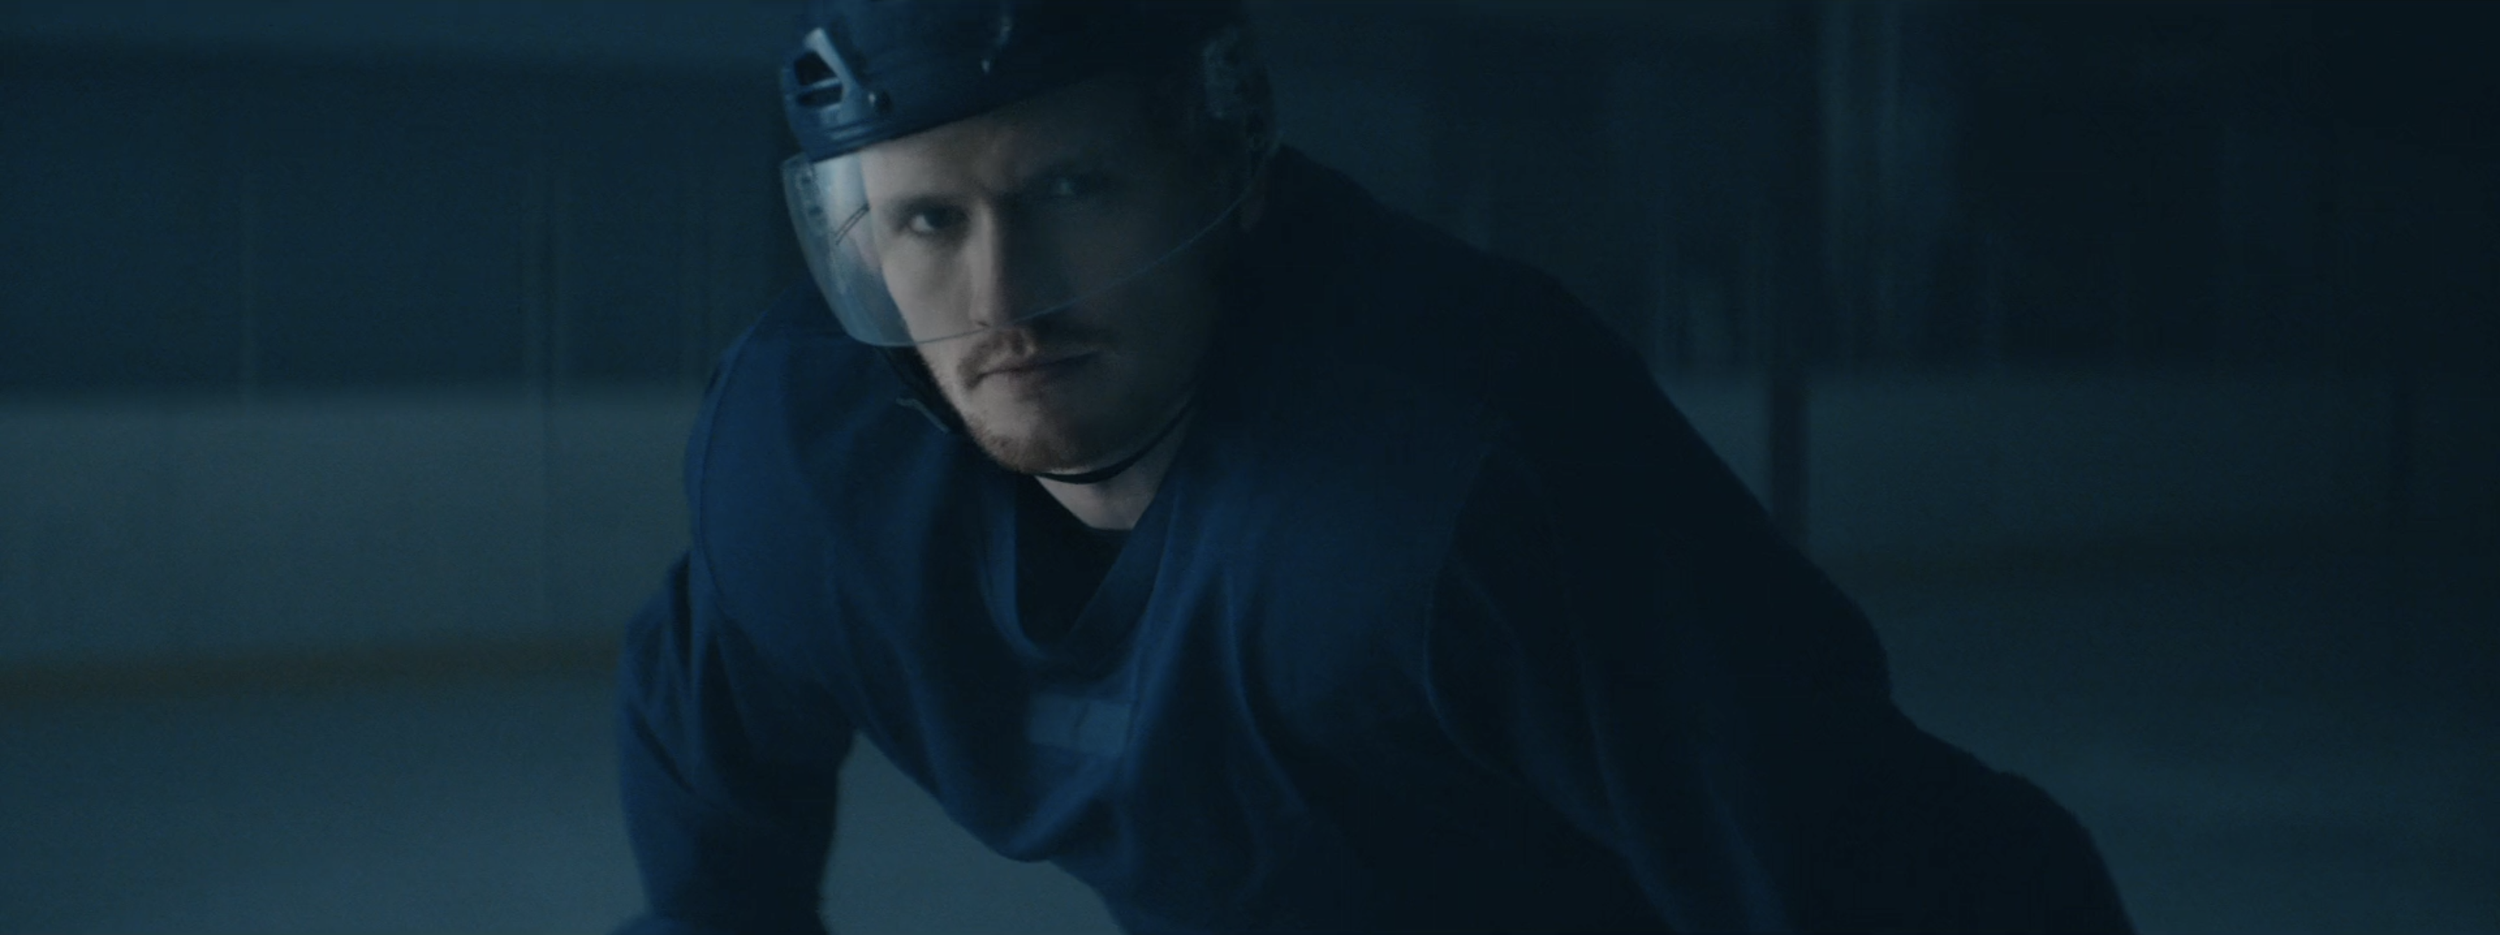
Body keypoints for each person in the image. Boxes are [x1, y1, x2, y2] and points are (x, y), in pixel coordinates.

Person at [614, 1, 2136, 932]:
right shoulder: (808, 456)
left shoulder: (1462, 469)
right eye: (930, 221)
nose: (1007, 293)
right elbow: (709, 724)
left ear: (1222, 166)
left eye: (1075, 186)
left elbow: (1876, 874)